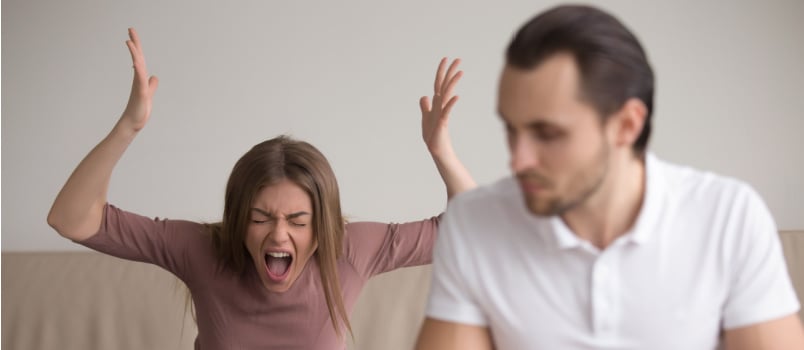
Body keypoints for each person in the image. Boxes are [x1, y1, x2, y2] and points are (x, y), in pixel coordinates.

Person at [46, 28, 476, 349]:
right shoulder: (201, 249)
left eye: (298, 220)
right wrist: (129, 126)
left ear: (321, 225)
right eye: (260, 218)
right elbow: (71, 218)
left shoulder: (350, 250)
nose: (278, 234)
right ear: (238, 218)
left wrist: (442, 152)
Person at [415, 4, 804, 350]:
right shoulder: (474, 224)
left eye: (547, 134)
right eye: (511, 130)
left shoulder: (728, 216)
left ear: (627, 125)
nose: (517, 161)